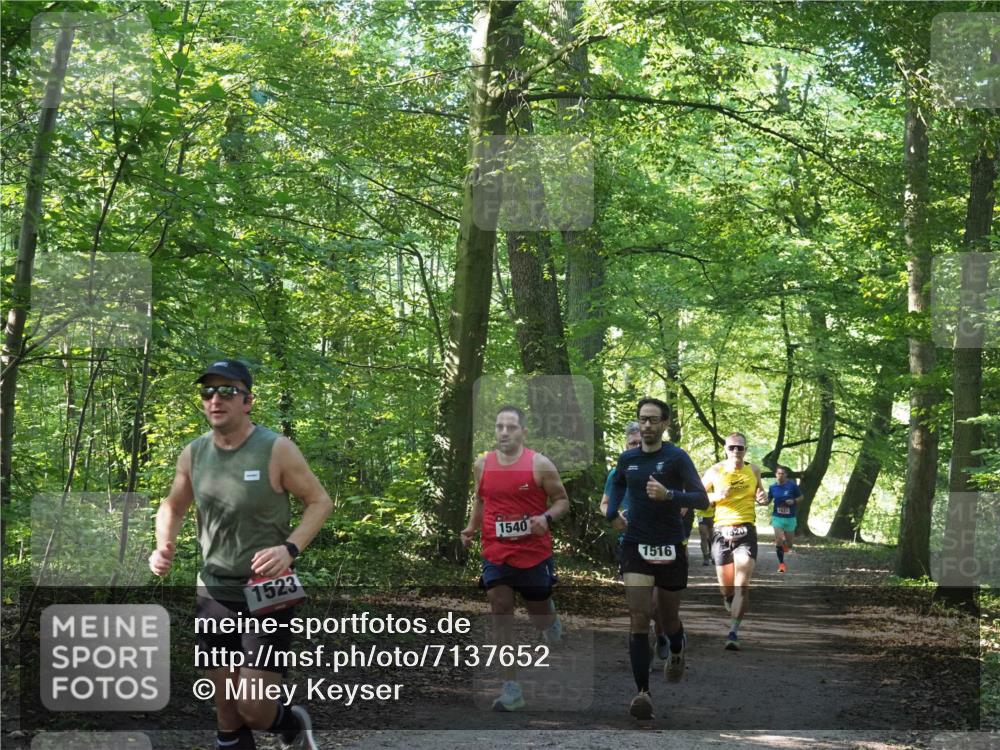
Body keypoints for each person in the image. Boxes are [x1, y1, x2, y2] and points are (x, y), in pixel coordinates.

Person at [149, 359, 333, 750]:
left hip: (269, 590)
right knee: (227, 712)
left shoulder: (276, 449)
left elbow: (319, 501)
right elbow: (172, 506)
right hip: (214, 591)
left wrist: (289, 548)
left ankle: (291, 725)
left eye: (227, 391)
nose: (215, 399)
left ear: (248, 401)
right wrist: (163, 544)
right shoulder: (194, 453)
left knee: (253, 708)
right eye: (208, 392)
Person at [460, 405, 570, 712]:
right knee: (500, 608)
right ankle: (511, 687)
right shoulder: (483, 464)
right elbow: (481, 500)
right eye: (499, 427)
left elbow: (562, 501)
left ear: (523, 431)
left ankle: (549, 620)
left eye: (511, 427)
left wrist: (546, 518)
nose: (504, 432)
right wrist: (471, 528)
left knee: (539, 616)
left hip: (533, 553)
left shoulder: (539, 464)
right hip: (496, 551)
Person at [605, 398, 709, 720]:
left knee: (667, 618)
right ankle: (643, 693)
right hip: (636, 545)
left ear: (664, 424)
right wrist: (612, 515)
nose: (647, 425)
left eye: (653, 420)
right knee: (639, 617)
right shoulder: (628, 459)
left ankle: (676, 647)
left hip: (669, 545)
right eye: (643, 419)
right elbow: (616, 486)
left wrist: (669, 495)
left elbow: (702, 499)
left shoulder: (677, 458)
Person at [600, 423, 670, 661]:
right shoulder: (617, 472)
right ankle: (644, 650)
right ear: (626, 445)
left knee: (657, 604)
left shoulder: (665, 468)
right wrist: (613, 517)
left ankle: (661, 633)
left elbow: (680, 501)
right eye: (632, 443)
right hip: (630, 542)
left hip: (660, 541)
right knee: (640, 606)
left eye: (639, 443)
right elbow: (605, 503)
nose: (636, 447)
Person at [701, 432, 768, 651]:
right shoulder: (715, 471)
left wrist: (763, 498)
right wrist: (716, 496)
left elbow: (761, 494)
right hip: (722, 532)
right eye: (732, 447)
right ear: (725, 449)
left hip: (746, 531)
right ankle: (728, 597)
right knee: (726, 588)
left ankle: (733, 632)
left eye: (740, 447)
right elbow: (697, 496)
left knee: (742, 586)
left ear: (746, 449)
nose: (736, 451)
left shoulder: (754, 470)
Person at [768, 465, 801, 573]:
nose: (780, 475)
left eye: (782, 473)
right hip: (777, 517)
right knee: (778, 540)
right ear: (775, 475)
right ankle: (781, 564)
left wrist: (793, 501)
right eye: (778, 473)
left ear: (786, 475)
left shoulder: (792, 486)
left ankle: (785, 543)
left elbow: (801, 497)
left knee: (789, 544)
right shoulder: (772, 487)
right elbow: (768, 500)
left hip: (790, 518)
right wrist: (761, 501)